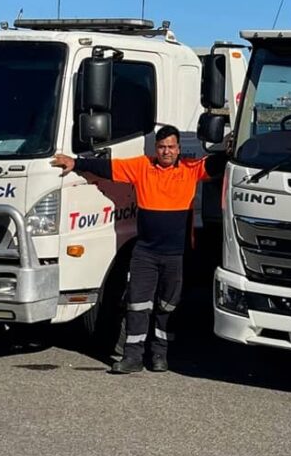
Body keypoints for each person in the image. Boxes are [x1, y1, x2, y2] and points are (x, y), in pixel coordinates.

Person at [51, 125, 228, 374]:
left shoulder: (191, 169)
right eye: (162, 147)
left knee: (167, 306)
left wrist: (230, 150)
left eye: (171, 147)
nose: (166, 151)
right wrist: (76, 162)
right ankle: (132, 357)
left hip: (175, 255)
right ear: (156, 148)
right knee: (137, 304)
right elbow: (108, 167)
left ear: (179, 149)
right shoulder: (142, 167)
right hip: (145, 252)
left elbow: (216, 165)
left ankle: (159, 355)